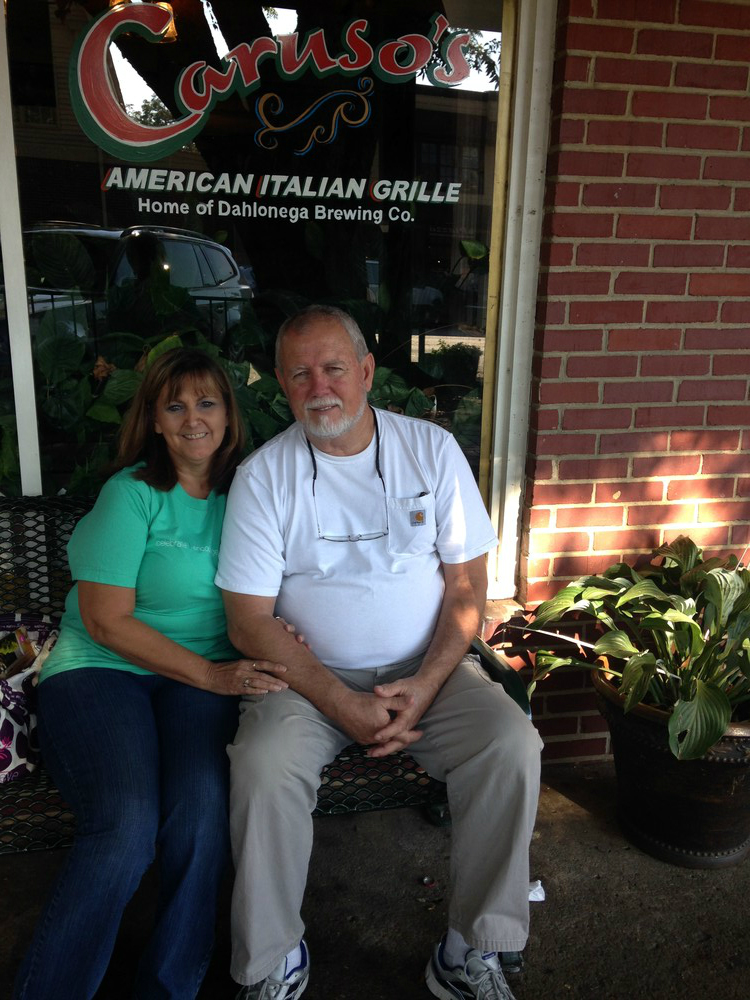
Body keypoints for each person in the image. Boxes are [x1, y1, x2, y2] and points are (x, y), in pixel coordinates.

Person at [216, 305, 543, 1000]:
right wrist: (341, 701)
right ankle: (272, 960)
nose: (319, 388)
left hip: (429, 671)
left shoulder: (430, 451)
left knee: (510, 743)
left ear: (366, 371)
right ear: (280, 382)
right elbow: (247, 621)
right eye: (299, 374)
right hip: (308, 685)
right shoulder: (262, 477)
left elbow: (467, 586)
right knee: (263, 764)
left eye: (334, 368)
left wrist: (425, 684)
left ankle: (472, 949)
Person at [13, 347, 290, 1000]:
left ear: (229, 415)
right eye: (175, 406)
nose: (193, 418)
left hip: (200, 678)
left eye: (207, 402)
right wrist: (215, 678)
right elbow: (106, 621)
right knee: (126, 825)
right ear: (155, 422)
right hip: (103, 670)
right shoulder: (132, 493)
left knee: (201, 817)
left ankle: (169, 988)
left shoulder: (250, 496)